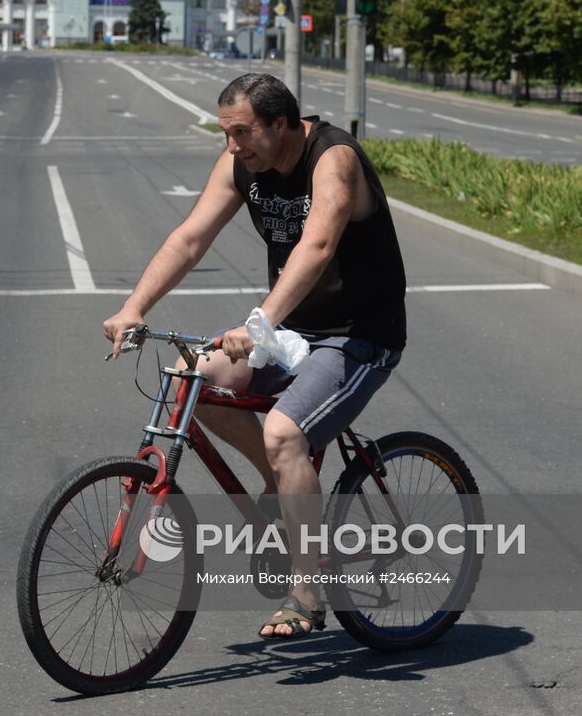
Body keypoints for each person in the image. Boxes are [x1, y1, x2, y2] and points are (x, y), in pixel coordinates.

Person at [102, 72, 406, 640]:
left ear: (283, 123)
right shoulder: (243, 163)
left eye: (243, 133)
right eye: (226, 134)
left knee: (285, 433)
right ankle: (281, 485)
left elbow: (317, 246)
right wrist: (134, 307)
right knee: (191, 376)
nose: (232, 146)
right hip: (291, 330)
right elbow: (190, 238)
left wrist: (260, 321)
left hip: (359, 333)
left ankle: (306, 593)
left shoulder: (333, 159)